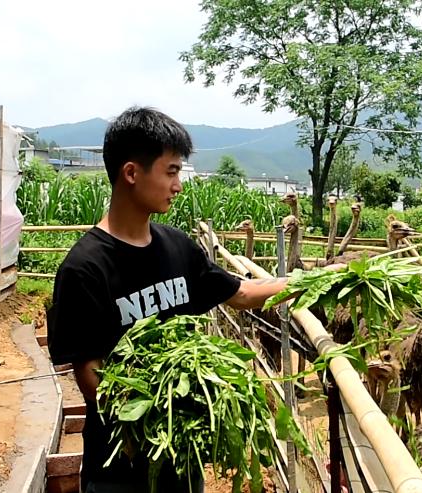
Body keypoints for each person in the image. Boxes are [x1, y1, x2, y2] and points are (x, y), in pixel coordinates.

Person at [47, 107, 325, 492]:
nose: (178, 185)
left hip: (181, 459)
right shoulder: (85, 268)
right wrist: (156, 419)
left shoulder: (178, 247)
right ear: (131, 173)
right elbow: (90, 374)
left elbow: (241, 294)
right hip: (120, 467)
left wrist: (312, 281)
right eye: (171, 171)